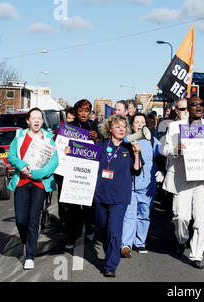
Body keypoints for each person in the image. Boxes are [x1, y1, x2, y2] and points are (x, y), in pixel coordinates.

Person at [161, 96, 204, 269]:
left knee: (201, 220)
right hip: (182, 177)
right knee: (181, 217)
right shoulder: (175, 127)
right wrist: (176, 149)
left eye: (201, 104)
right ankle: (182, 239)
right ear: (188, 108)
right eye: (194, 105)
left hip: (203, 178)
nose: (198, 107)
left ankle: (196, 255)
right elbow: (165, 149)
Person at [7, 108, 59, 270]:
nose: (36, 121)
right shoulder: (19, 137)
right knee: (21, 219)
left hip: (39, 183)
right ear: (28, 121)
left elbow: (54, 162)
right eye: (33, 118)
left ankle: (30, 255)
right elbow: (11, 157)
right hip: (22, 181)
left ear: (43, 121)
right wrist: (22, 166)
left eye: (39, 118)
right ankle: (26, 241)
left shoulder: (48, 139)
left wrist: (37, 173)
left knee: (33, 219)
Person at [92, 114, 142, 277]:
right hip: (101, 194)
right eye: (118, 126)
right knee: (104, 229)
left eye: (124, 127)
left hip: (120, 195)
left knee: (114, 231)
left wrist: (136, 154)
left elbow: (136, 170)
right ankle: (110, 252)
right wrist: (70, 151)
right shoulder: (101, 144)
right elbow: (85, 160)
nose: (122, 129)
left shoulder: (129, 147)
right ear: (110, 129)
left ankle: (110, 265)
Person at [121, 113, 164, 257]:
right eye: (136, 122)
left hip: (147, 187)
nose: (139, 124)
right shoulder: (126, 140)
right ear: (131, 125)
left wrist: (162, 171)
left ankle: (140, 242)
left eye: (142, 122)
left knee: (144, 215)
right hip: (129, 185)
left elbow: (162, 156)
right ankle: (126, 244)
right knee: (129, 215)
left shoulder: (152, 141)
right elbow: (124, 143)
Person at [63, 99, 100, 249]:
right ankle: (72, 236)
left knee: (89, 206)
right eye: (81, 110)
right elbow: (61, 147)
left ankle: (89, 227)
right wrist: (66, 149)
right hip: (72, 172)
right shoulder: (69, 127)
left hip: (89, 173)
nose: (84, 113)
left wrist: (96, 139)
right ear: (76, 112)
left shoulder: (95, 126)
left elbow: (102, 148)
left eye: (87, 110)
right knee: (72, 208)